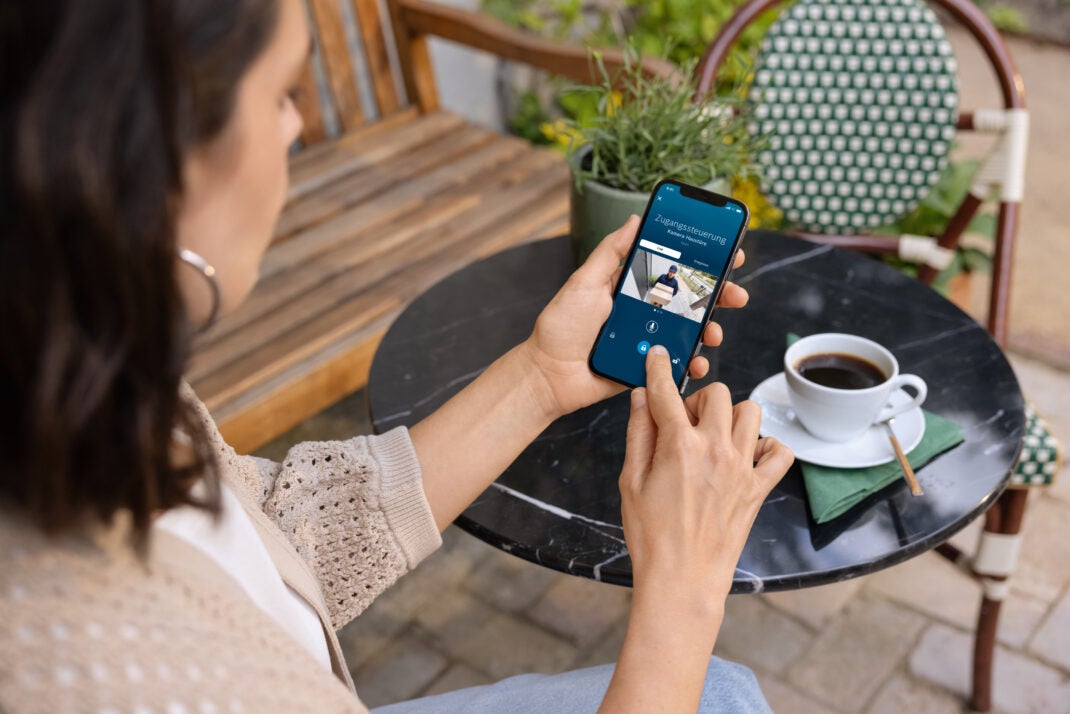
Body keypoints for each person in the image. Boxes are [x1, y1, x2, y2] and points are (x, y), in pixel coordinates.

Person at [0, 1, 793, 712]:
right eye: (282, 93)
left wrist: (540, 378)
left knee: (724, 692)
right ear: (156, 154)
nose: (298, 128)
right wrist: (684, 590)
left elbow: (274, 546)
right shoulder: (108, 666)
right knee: (718, 691)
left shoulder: (72, 385)